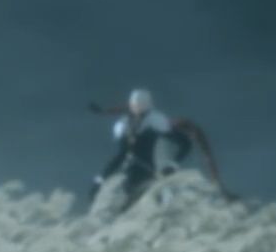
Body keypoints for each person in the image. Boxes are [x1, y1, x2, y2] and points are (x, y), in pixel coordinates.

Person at [88, 88, 234, 211]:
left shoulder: (158, 123)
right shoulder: (130, 124)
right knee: (131, 194)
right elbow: (121, 153)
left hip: (150, 169)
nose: (137, 111)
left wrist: (173, 165)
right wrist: (99, 180)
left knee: (150, 193)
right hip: (139, 168)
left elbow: (191, 147)